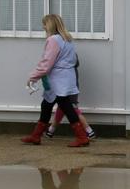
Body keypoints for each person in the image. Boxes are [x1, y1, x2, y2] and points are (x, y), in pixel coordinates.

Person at [21, 14, 90, 148]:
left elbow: (46, 63)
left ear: (50, 25)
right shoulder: (67, 39)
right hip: (66, 78)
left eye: (45, 24)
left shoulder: (53, 40)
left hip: (58, 80)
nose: (43, 27)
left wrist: (33, 77)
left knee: (66, 107)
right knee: (46, 105)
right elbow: (73, 60)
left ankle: (82, 137)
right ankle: (36, 136)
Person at [46, 56, 96, 140]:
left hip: (68, 89)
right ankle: (50, 130)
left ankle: (89, 131)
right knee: (62, 107)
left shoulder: (66, 65)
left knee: (73, 109)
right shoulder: (71, 62)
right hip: (68, 88)